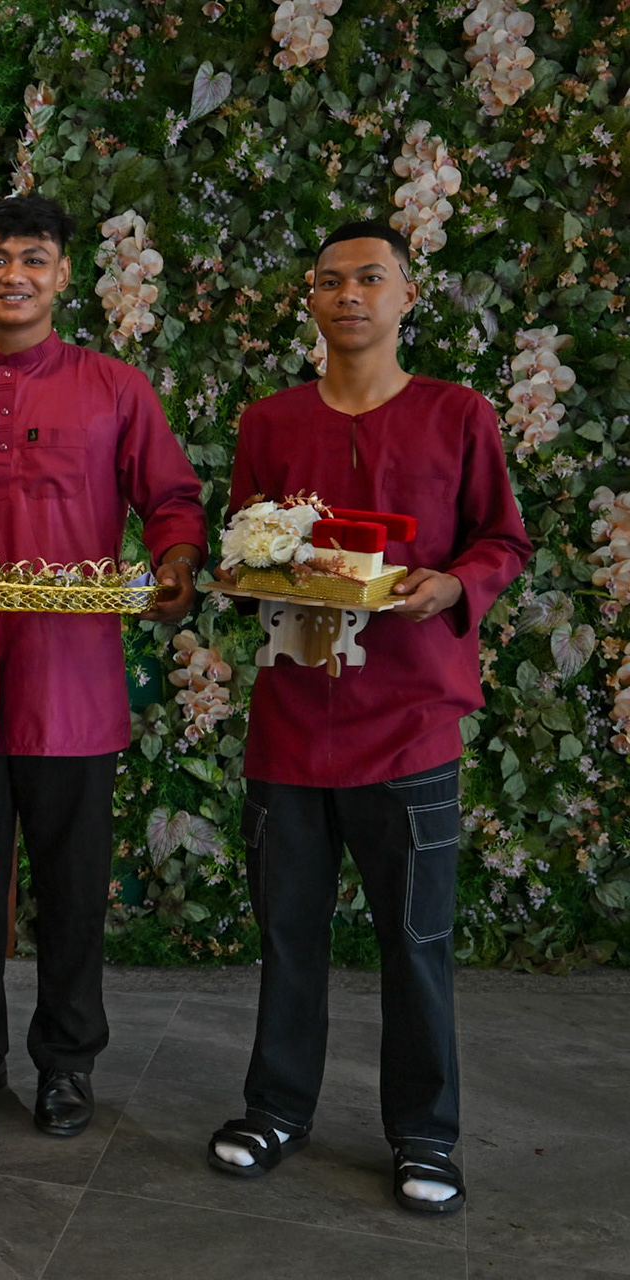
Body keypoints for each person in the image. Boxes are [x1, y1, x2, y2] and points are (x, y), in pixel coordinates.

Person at [207, 221, 529, 1214]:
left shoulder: (457, 414)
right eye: (331, 280)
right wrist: (245, 574)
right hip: (293, 722)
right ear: (311, 299)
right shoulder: (271, 421)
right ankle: (275, 1109)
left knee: (416, 940)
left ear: (406, 294)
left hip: (411, 720)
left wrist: (454, 583)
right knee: (288, 934)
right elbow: (244, 542)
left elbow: (502, 540)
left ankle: (426, 1134)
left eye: (371, 278)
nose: (350, 294)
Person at [0, 195, 207, 1133]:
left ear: (64, 274)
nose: (15, 276)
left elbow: (171, 498)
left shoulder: (115, 389)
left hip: (73, 690)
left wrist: (177, 562)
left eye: (33, 259)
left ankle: (68, 1063)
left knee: (72, 894)